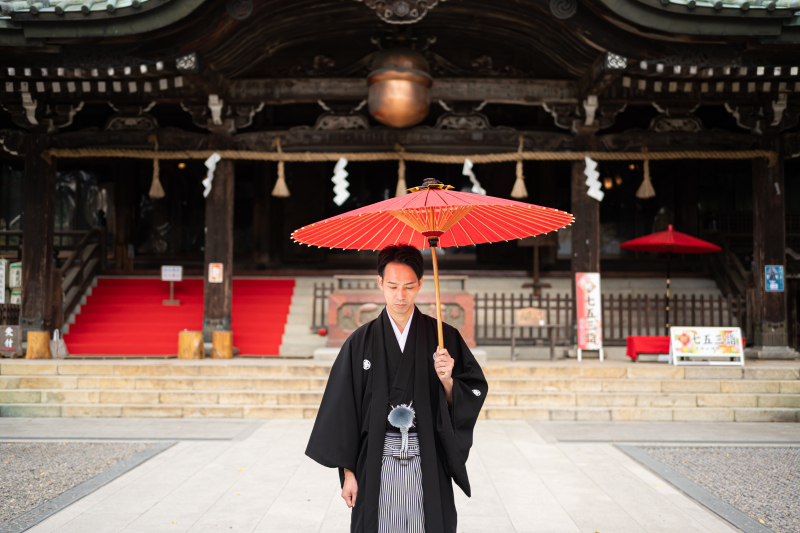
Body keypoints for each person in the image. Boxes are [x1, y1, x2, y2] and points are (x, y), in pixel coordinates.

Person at [306, 244, 487, 533]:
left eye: (408, 286)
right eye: (392, 286)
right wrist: (348, 474)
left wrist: (448, 381)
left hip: (427, 454)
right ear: (379, 282)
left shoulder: (444, 338)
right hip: (376, 458)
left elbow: (471, 393)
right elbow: (344, 411)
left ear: (421, 284)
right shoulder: (360, 342)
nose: (400, 296)